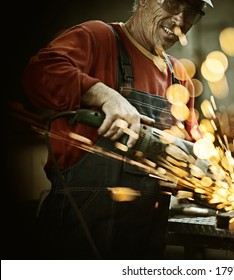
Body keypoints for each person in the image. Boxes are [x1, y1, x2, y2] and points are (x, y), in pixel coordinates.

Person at [22, 0, 213, 260]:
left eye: (191, 12)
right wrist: (102, 94)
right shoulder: (98, 38)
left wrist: (203, 174)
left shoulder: (178, 75)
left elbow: (194, 147)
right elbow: (37, 73)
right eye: (171, 4)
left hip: (145, 240)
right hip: (80, 235)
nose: (180, 21)